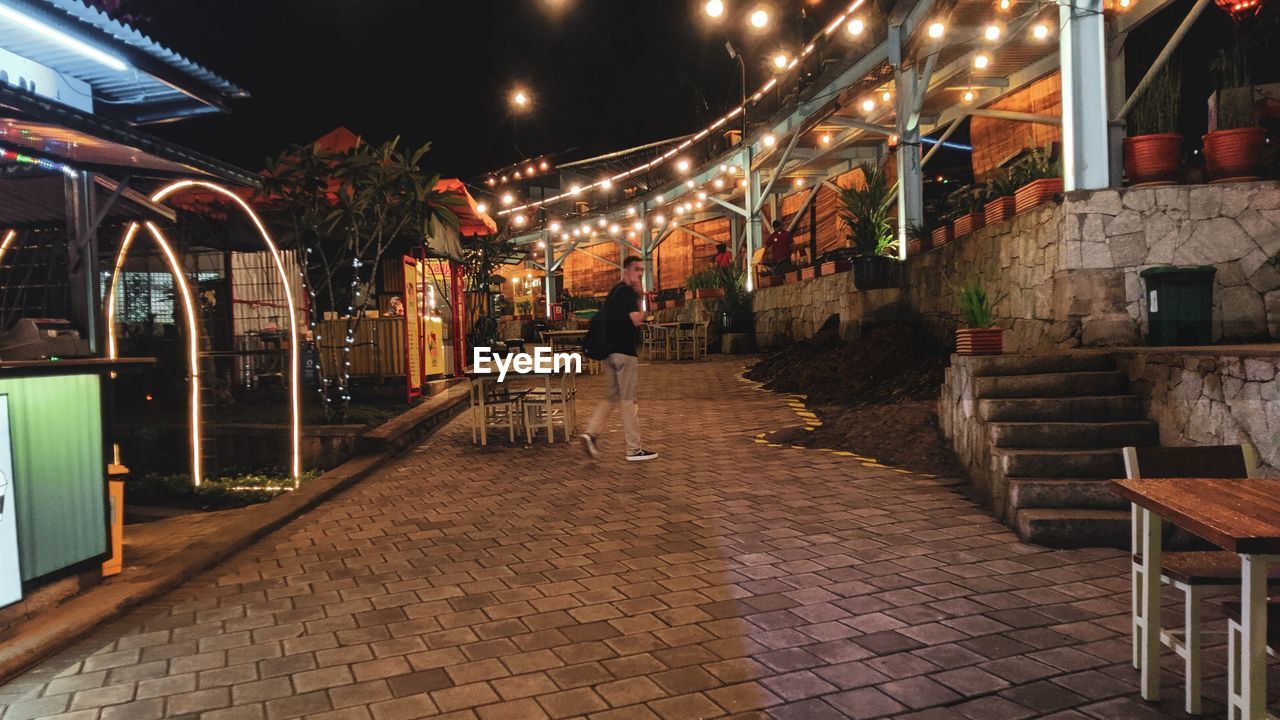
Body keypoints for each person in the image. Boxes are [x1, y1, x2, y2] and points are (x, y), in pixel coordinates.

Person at [580, 256, 659, 462]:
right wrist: (642, 300)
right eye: (636, 270)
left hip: (611, 354)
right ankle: (634, 449)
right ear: (626, 271)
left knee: (611, 398)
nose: (640, 273)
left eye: (642, 270)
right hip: (625, 354)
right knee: (628, 401)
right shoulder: (627, 293)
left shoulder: (614, 292)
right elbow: (636, 319)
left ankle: (591, 434)